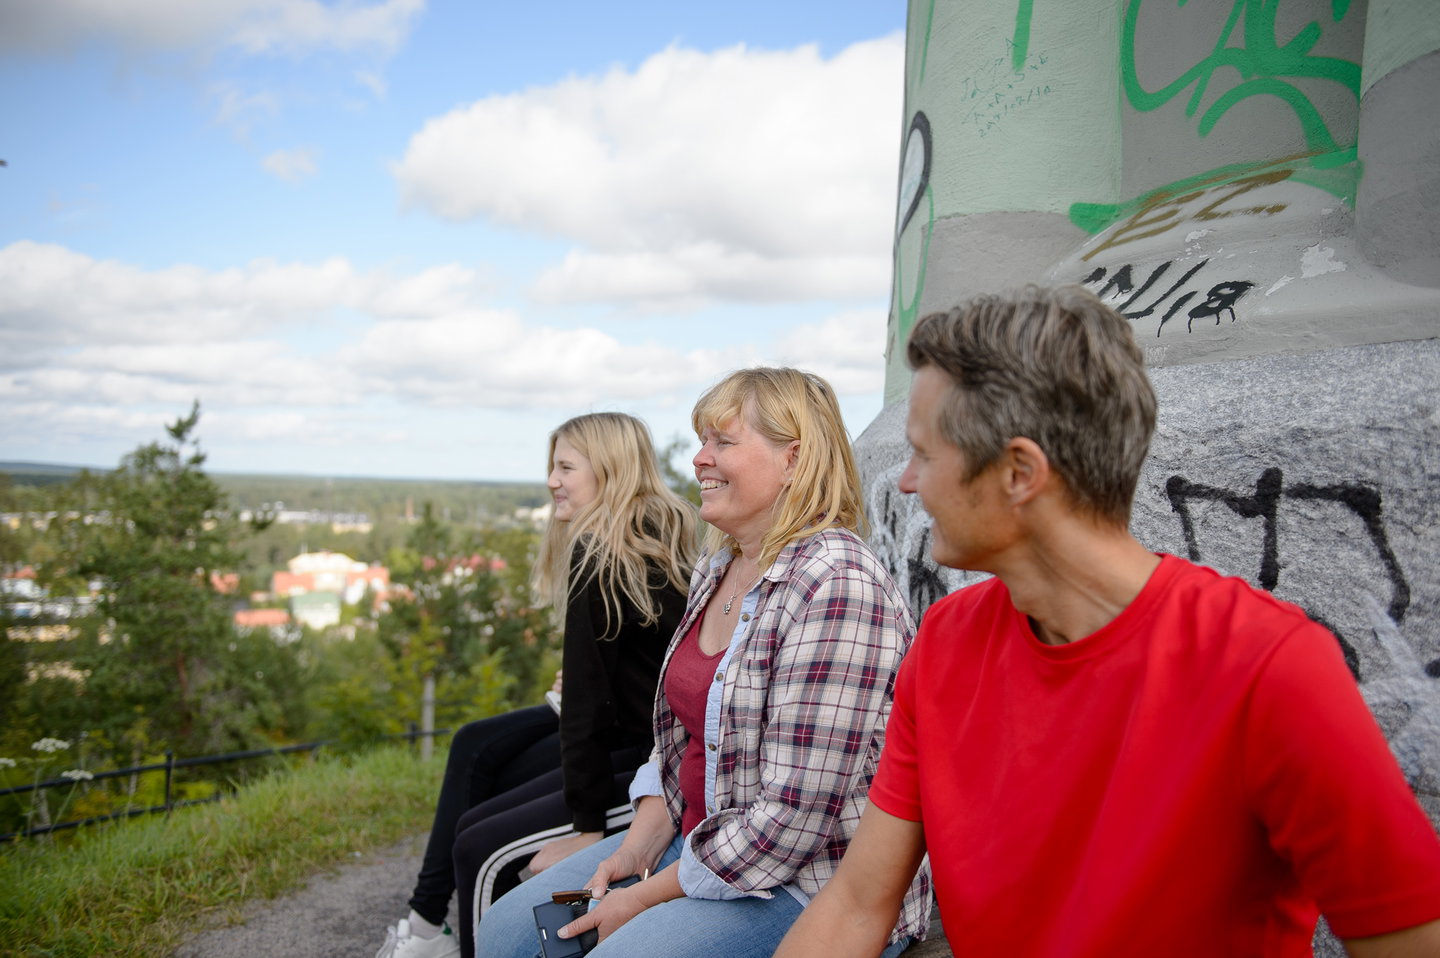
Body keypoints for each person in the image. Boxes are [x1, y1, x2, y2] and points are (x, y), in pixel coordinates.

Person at [775, 286, 1440, 958]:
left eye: (923, 453)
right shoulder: (945, 643)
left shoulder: (1266, 664)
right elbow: (859, 904)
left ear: (1018, 472)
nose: (906, 483)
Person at [474, 367, 930, 958]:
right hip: (697, 846)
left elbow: (791, 822)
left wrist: (643, 897)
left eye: (723, 442)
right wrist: (636, 849)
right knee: (507, 931)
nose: (699, 460)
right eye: (701, 441)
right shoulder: (718, 569)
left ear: (795, 458)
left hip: (804, 882)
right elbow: (682, 744)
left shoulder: (837, 585)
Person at [376, 412, 697, 958]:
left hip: (649, 758)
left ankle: (454, 935)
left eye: (566, 466)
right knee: (478, 749)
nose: (552, 480)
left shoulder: (603, 552)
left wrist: (586, 824)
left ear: (609, 469)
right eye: (553, 465)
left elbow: (588, 708)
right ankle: (432, 928)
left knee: (480, 845)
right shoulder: (649, 536)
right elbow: (616, 679)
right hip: (629, 733)